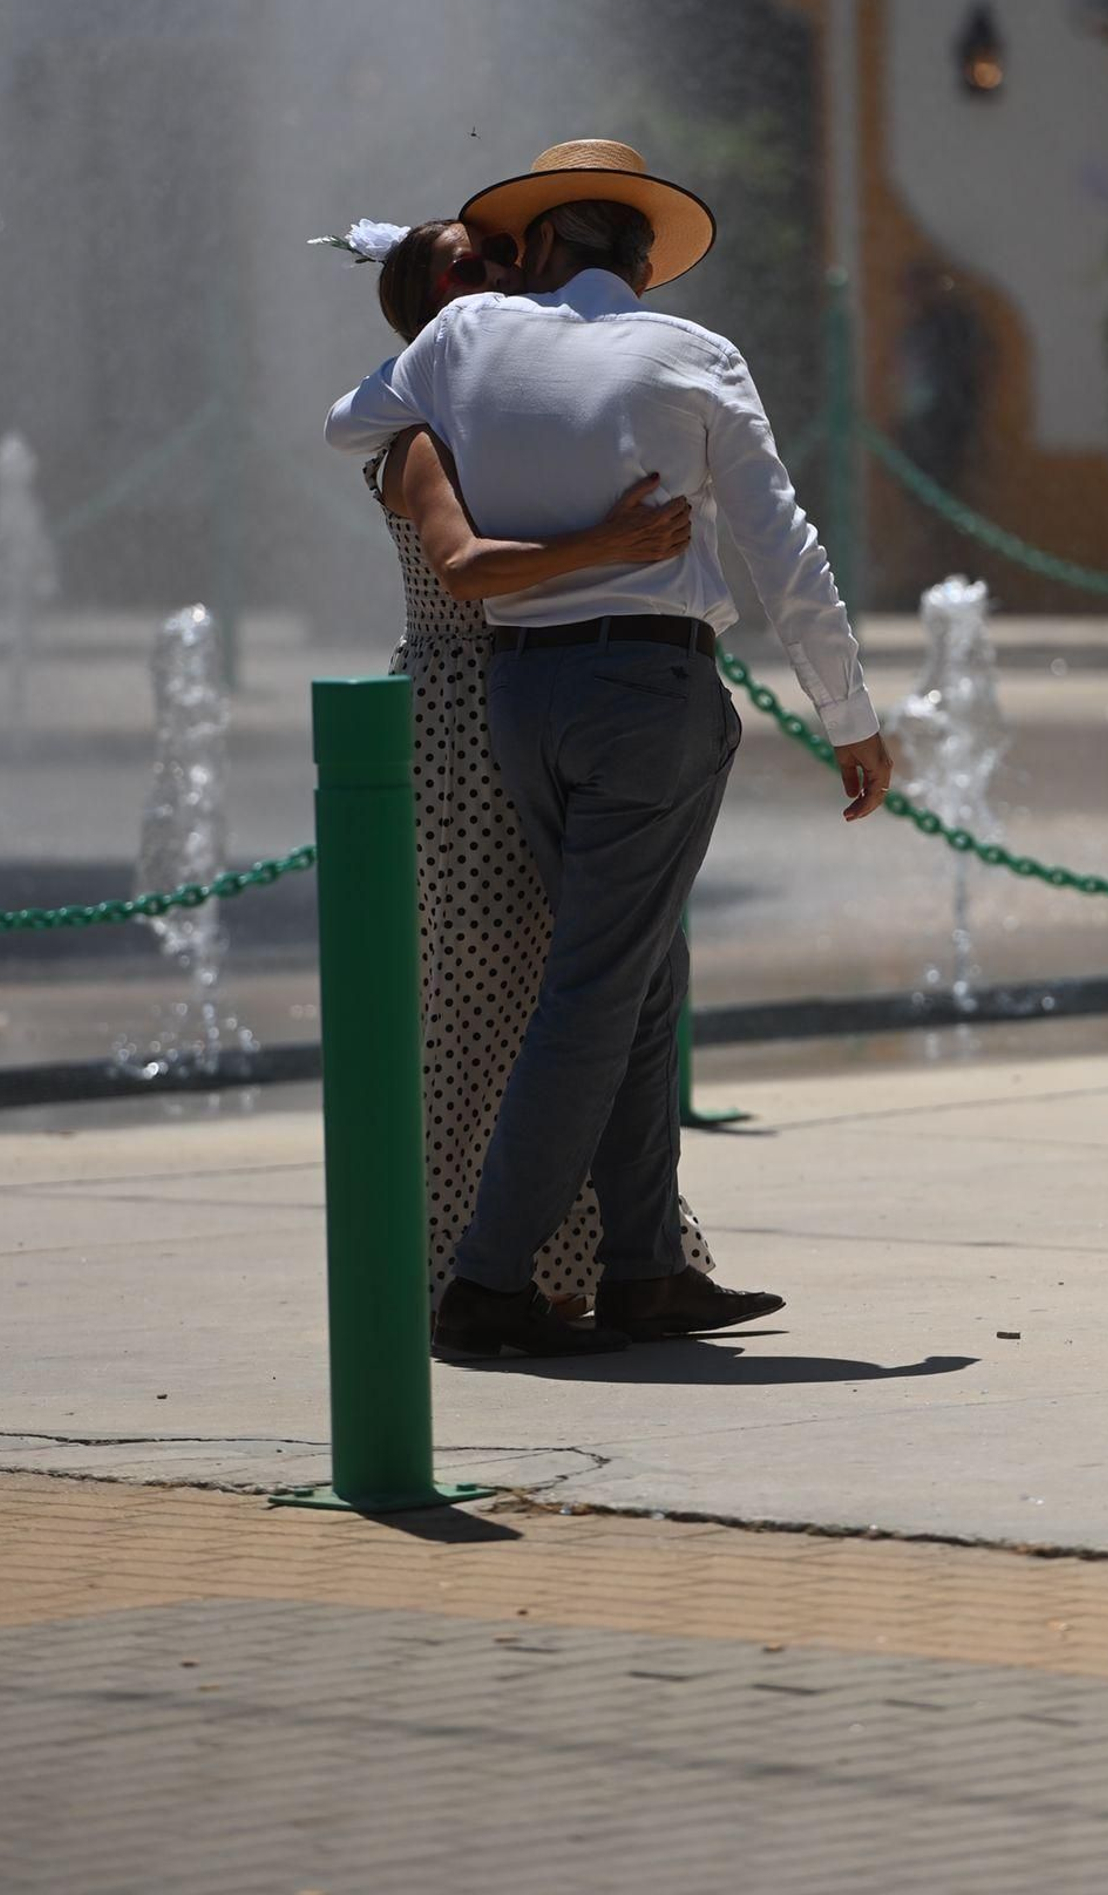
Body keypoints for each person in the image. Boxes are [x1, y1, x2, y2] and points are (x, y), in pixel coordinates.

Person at [327, 140, 892, 1362]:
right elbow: (779, 544)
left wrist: (444, 376)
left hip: (522, 696)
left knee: (637, 979)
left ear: (539, 244)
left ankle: (644, 1266)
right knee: (594, 988)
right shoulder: (688, 352)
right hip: (646, 686)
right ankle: (488, 1281)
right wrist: (847, 714)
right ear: (641, 257)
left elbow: (344, 422)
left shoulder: (462, 345)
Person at [323, 213, 720, 1328]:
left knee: (607, 984)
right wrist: (611, 544)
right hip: (463, 715)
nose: (501, 272)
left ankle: (620, 1256)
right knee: (490, 998)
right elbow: (460, 569)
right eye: (471, 261)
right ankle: (467, 1264)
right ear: (420, 300)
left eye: (506, 255)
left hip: (523, 697)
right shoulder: (418, 431)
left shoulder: (500, 403)